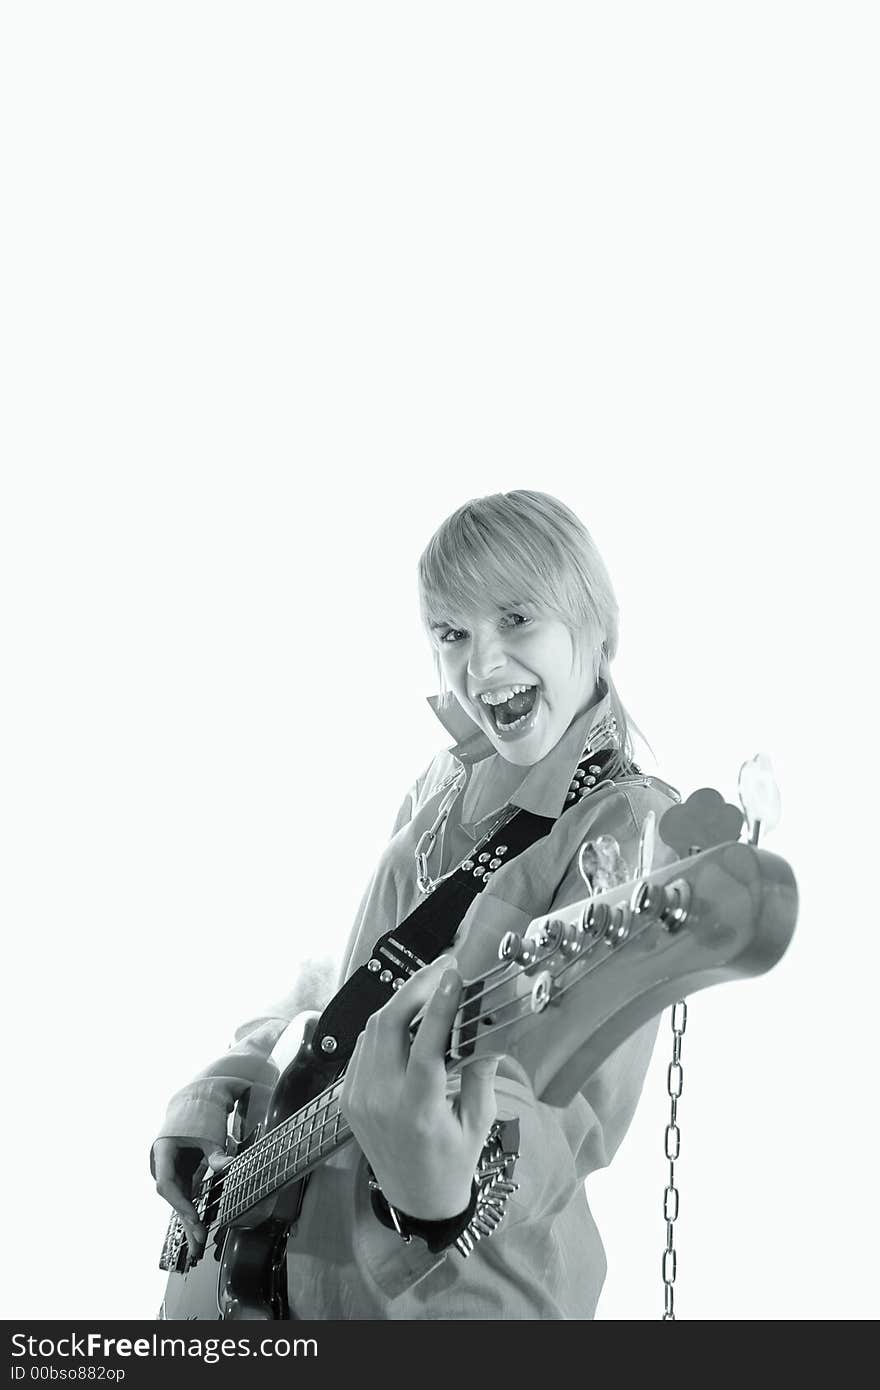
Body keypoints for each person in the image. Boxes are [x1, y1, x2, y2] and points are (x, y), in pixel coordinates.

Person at [152, 488, 680, 1319]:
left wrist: (447, 1187)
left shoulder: (630, 825)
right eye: (453, 634)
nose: (483, 666)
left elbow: (572, 1110)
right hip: (288, 1273)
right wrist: (237, 1076)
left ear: (598, 625)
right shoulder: (441, 783)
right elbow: (346, 985)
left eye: (515, 619)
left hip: (455, 1298)